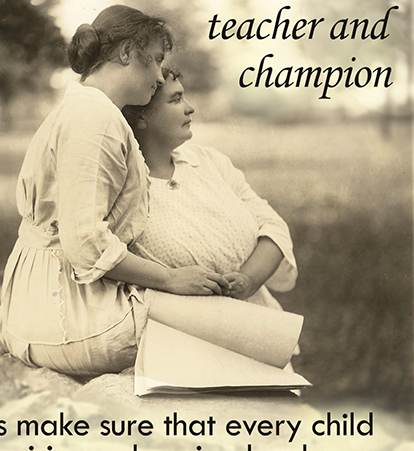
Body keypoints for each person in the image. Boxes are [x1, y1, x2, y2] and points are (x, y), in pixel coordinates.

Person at [0, 6, 230, 377]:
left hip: (41, 301)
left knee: (231, 322)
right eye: (153, 60)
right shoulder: (94, 119)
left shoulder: (85, 109)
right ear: (125, 53)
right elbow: (85, 242)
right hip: (65, 315)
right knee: (235, 331)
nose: (158, 75)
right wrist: (170, 278)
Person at [122, 67, 298, 312]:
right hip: (179, 333)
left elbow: (272, 225)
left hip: (258, 326)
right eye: (175, 99)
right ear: (141, 117)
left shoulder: (209, 162)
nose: (190, 107)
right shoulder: (124, 188)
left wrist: (248, 280)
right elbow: (105, 257)